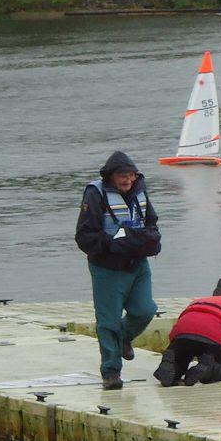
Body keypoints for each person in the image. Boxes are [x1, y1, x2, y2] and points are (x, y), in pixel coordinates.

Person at [75, 150, 161, 390]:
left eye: (131, 176)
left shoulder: (140, 191)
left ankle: (123, 339)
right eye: (123, 176)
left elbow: (151, 221)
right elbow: (84, 236)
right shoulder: (95, 194)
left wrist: (150, 239)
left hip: (138, 264)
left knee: (145, 310)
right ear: (111, 176)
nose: (128, 181)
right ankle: (111, 372)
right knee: (108, 321)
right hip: (107, 268)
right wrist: (112, 244)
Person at [153, 293, 221, 387]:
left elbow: (180, 325)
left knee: (180, 360)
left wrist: (174, 348)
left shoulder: (201, 301)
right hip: (215, 335)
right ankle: (208, 369)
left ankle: (171, 365)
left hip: (183, 332)